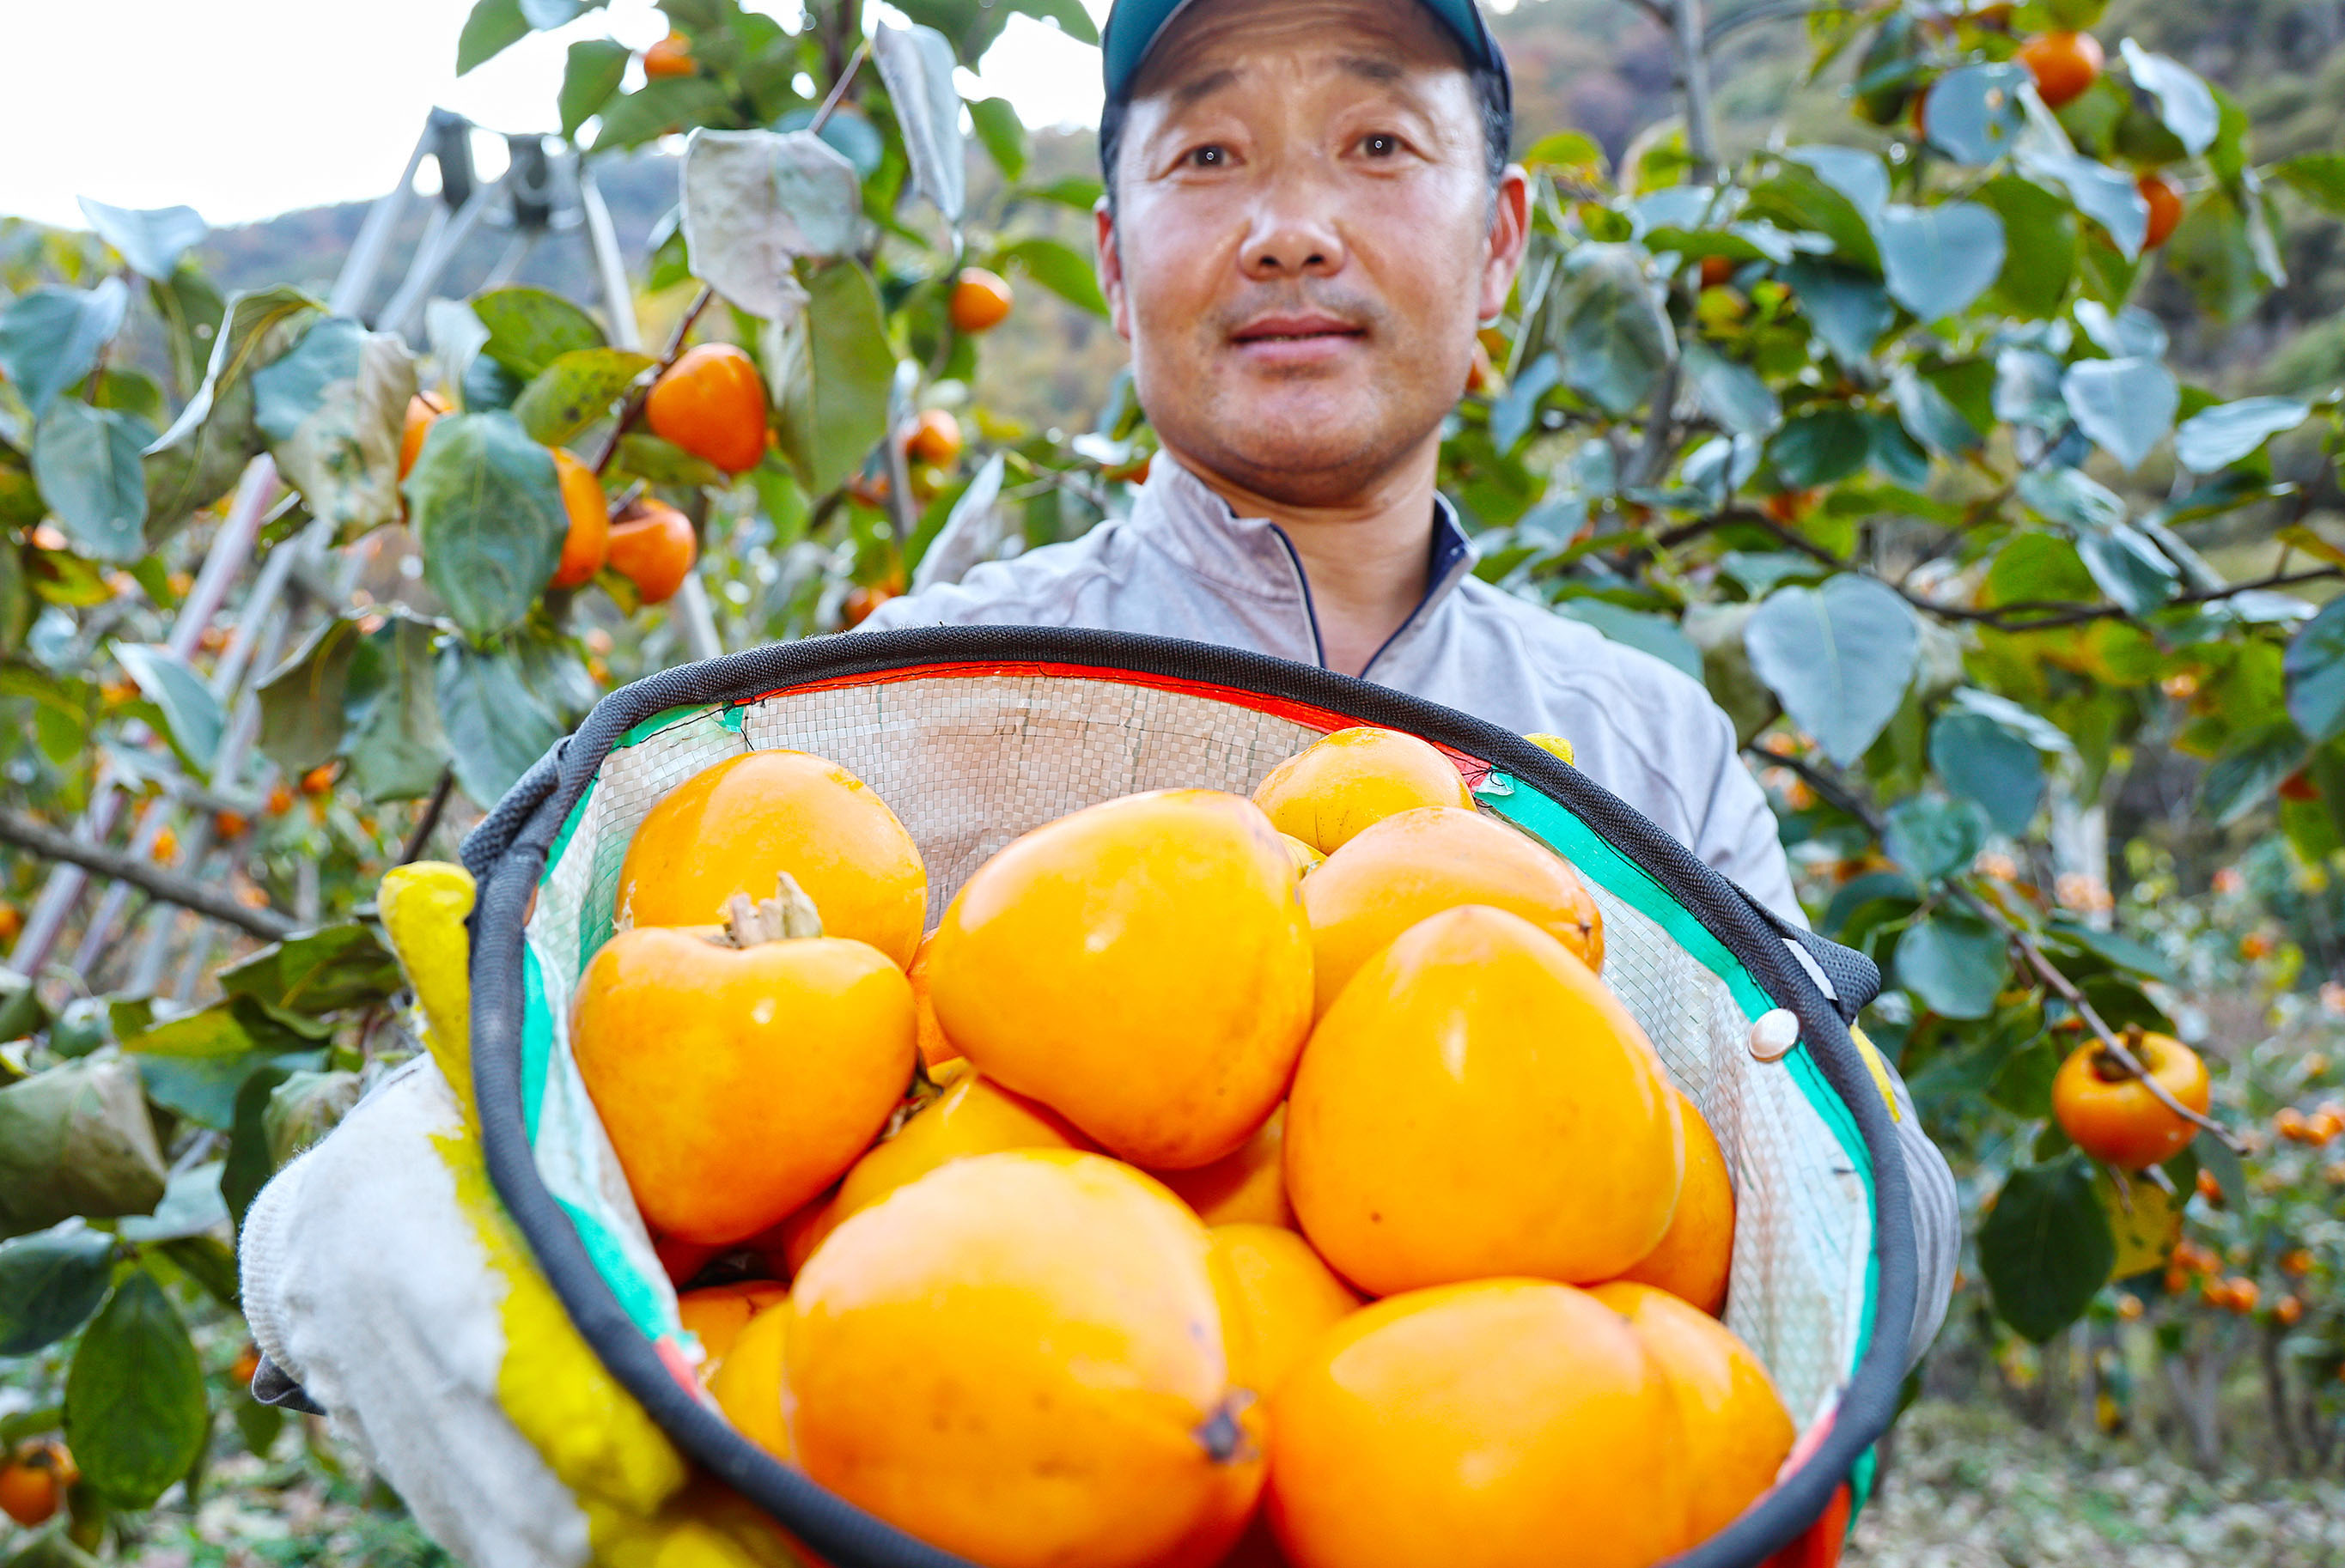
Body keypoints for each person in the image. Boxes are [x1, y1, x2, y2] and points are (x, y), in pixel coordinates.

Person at [241, 3, 1957, 1563]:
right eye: (1208, 156)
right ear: (1117, 254)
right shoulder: (902, 696)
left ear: (1501, 240)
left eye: (1377, 144)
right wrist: (380, 1208)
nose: (1289, 224)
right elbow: (596, 1090)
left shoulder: (1652, 743)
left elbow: (1815, 1198)